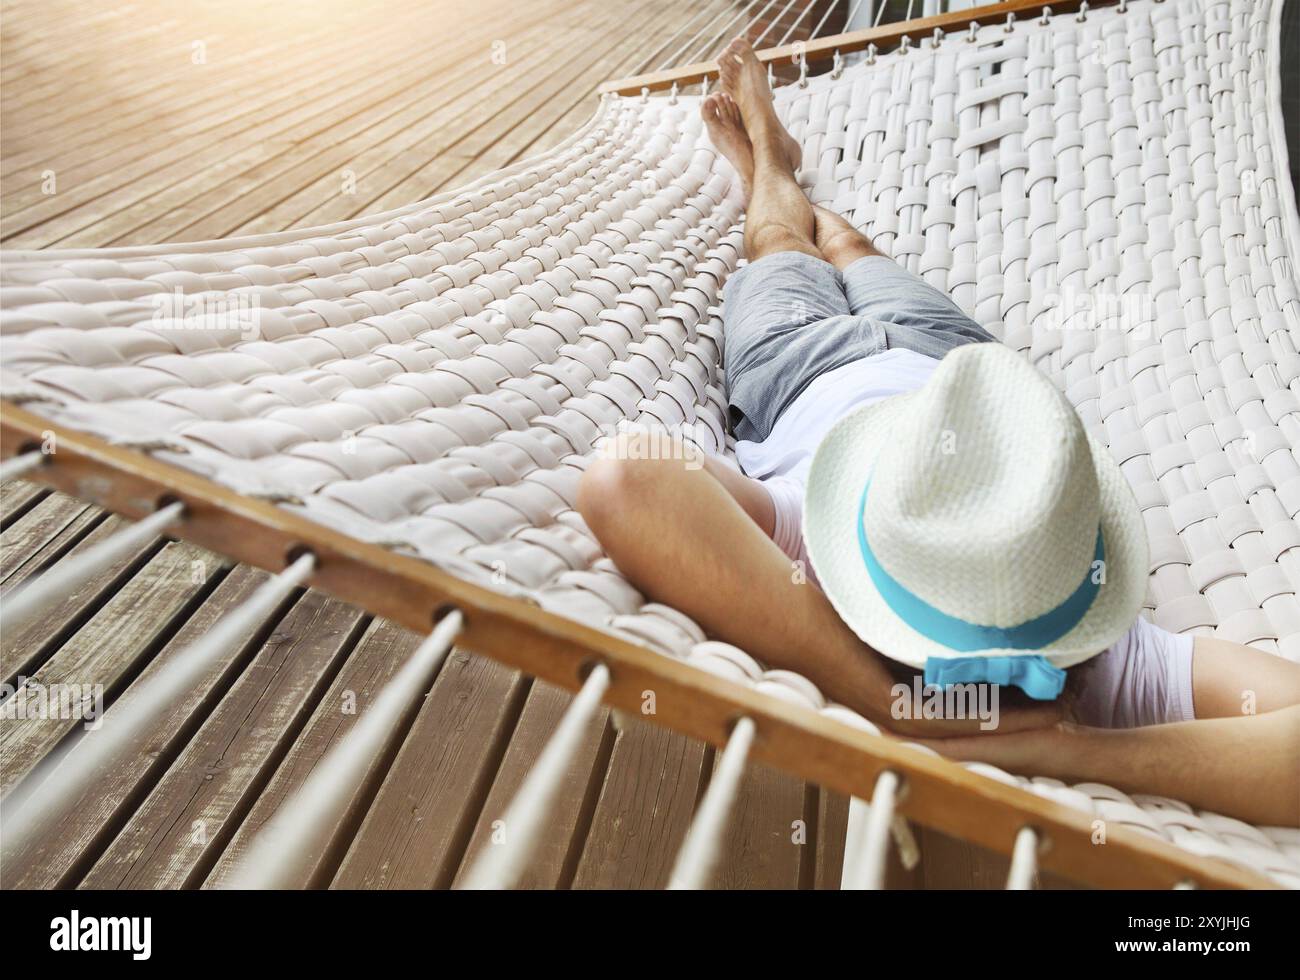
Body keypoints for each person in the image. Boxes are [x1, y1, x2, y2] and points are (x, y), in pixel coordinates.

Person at [576, 39, 1300, 826]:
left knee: (785, 244)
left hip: (801, 368)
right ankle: (774, 154)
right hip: (958, 372)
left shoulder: (840, 567)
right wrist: (897, 703)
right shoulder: (1090, 638)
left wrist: (1057, 749)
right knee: (849, 248)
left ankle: (765, 169)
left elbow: (625, 477)